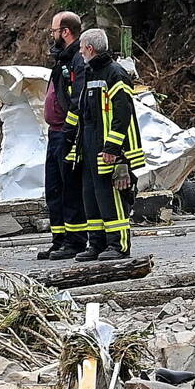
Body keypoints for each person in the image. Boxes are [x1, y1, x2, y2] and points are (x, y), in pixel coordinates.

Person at [66, 27, 145, 260]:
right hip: (90, 143)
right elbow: (84, 112)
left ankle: (118, 245)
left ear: (89, 48)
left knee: (111, 195)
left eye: (81, 48)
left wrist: (113, 148)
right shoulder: (91, 73)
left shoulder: (115, 74)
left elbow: (123, 114)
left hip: (109, 147)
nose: (79, 53)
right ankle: (96, 243)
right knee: (91, 195)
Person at [38, 11, 86, 260]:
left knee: (70, 190)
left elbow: (77, 101)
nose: (52, 35)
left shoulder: (77, 59)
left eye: (54, 31)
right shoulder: (62, 60)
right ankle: (59, 240)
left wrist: (69, 132)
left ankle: (75, 241)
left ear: (65, 32)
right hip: (55, 133)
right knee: (54, 189)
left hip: (66, 135)